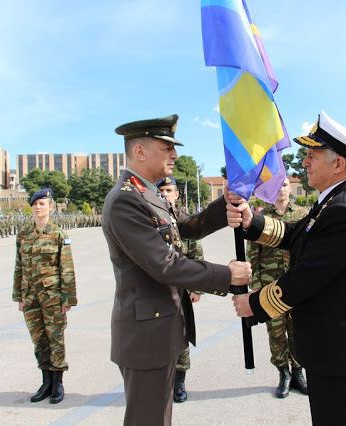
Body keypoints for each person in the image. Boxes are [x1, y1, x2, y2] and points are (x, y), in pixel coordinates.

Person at [228, 111, 346, 425]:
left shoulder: (344, 211)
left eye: (312, 155)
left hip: (338, 349)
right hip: (331, 347)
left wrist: (253, 304)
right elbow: (297, 234)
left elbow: (305, 278)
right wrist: (250, 221)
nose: (304, 162)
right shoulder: (332, 202)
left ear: (337, 164)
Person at [102, 114, 251, 426]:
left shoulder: (149, 192)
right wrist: (227, 275)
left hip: (160, 329)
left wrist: (224, 204)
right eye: (167, 147)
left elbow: (186, 227)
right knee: (149, 419)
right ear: (140, 151)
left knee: (159, 417)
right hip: (146, 335)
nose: (175, 155)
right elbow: (163, 264)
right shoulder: (125, 200)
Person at [12, 188, 77, 404]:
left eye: (43, 203)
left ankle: (58, 383)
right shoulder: (23, 235)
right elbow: (19, 267)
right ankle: (46, 382)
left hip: (53, 297)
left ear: (51, 207)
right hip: (31, 298)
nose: (38, 207)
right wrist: (19, 296)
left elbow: (66, 268)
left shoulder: (59, 235)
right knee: (39, 340)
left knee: (55, 340)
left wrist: (67, 299)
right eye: (35, 204)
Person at [247, 177, 309, 398]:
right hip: (270, 286)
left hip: (296, 285)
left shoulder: (303, 214)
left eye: (285, 185)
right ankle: (283, 374)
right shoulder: (261, 217)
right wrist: (254, 285)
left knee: (297, 329)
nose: (282, 189)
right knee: (275, 332)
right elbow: (253, 253)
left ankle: (298, 372)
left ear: (290, 187)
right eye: (278, 186)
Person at [156, 175, 204, 404]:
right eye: (161, 191)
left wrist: (196, 288)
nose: (165, 194)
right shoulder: (151, 220)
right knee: (158, 336)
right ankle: (163, 381)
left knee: (181, 334)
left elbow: (196, 257)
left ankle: (180, 381)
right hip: (157, 290)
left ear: (177, 194)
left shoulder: (187, 222)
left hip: (182, 290)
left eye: (169, 190)